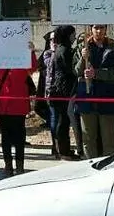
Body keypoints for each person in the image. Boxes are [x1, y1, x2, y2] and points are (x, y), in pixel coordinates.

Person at [74, 24, 114, 158]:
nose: (99, 31)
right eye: (96, 27)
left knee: (109, 140)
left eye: (101, 27)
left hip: (107, 97)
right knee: (88, 138)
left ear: (106, 29)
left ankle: (109, 166)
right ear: (91, 29)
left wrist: (96, 73)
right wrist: (82, 58)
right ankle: (89, 165)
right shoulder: (82, 46)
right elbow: (76, 71)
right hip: (86, 97)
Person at [0, 44, 37, 177]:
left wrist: (31, 51)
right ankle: (8, 165)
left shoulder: (22, 56)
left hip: (18, 104)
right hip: (3, 104)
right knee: (5, 137)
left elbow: (33, 67)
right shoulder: (0, 57)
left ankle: (20, 166)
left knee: (19, 138)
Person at [45, 25, 78, 160]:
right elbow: (70, 70)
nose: (74, 37)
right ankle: (63, 150)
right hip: (61, 90)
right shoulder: (64, 50)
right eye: (73, 35)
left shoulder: (60, 49)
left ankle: (62, 149)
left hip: (57, 89)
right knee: (62, 121)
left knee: (62, 120)